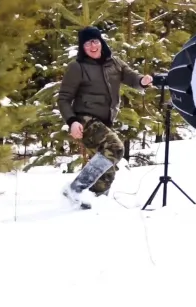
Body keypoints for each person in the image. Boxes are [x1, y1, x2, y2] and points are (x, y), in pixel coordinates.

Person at [58, 26, 153, 209]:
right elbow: (63, 99)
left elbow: (132, 77)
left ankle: (91, 201)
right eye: (87, 43)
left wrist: (142, 81)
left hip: (105, 121)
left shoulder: (114, 63)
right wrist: (72, 121)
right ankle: (76, 189)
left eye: (95, 41)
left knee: (108, 169)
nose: (92, 46)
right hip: (85, 119)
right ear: (82, 47)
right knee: (115, 148)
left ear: (101, 42)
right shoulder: (77, 67)